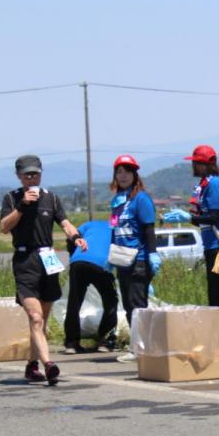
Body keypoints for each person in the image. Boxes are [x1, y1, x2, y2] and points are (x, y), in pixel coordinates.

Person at [0, 154, 86, 383]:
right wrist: (21, 206)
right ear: (18, 176)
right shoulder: (11, 198)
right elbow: (4, 227)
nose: (32, 177)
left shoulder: (52, 198)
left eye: (35, 173)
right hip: (24, 259)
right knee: (35, 318)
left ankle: (31, 364)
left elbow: (65, 223)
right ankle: (49, 365)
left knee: (42, 321)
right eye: (27, 174)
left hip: (48, 259)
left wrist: (76, 236)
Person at [186, 145, 219, 355]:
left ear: (204, 164)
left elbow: (215, 217)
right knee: (214, 297)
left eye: (195, 162)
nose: (193, 165)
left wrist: (190, 218)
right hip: (212, 247)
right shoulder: (204, 185)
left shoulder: (214, 185)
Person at [107, 154, 159, 362]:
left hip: (138, 258)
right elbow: (114, 228)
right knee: (128, 304)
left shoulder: (141, 199)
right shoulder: (118, 201)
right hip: (122, 259)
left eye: (127, 171)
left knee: (138, 304)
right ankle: (137, 346)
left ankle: (142, 347)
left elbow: (148, 228)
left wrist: (152, 254)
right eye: (119, 171)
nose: (122, 175)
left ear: (135, 174)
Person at [64, 215, 118, 354]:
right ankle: (105, 341)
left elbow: (72, 236)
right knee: (111, 301)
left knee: (74, 303)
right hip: (101, 264)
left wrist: (72, 254)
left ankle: (71, 343)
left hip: (78, 262)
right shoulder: (116, 228)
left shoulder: (90, 224)